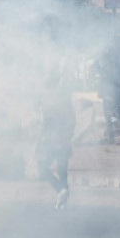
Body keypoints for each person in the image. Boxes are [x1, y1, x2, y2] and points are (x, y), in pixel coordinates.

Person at [37, 81, 76, 209]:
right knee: (62, 173)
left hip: (51, 143)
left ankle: (61, 191)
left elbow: (44, 127)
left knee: (42, 169)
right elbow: (72, 123)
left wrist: (38, 143)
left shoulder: (49, 105)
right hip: (64, 142)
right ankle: (63, 199)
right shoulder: (67, 107)